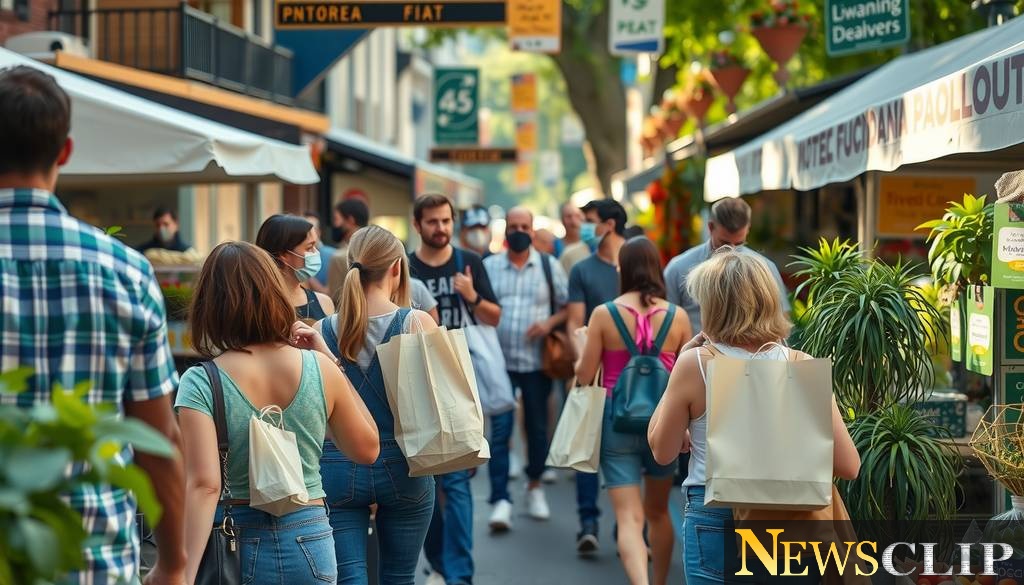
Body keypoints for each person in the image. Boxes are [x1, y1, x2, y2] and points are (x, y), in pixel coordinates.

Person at [0, 65, 186, 584]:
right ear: (64, 152)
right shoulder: (125, 271)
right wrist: (173, 562)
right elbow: (157, 438)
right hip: (95, 561)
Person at [648, 250, 860, 585]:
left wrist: (679, 365)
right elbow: (849, 466)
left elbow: (663, 451)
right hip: (791, 521)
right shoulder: (801, 365)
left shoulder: (698, 365)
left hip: (714, 515)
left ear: (714, 306)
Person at [175, 241, 380, 585]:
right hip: (311, 536)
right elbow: (367, 449)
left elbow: (205, 486)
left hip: (236, 541)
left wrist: (180, 572)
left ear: (210, 304)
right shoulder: (318, 368)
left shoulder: (200, 381)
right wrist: (331, 361)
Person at [296, 226, 440, 585]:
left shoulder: (324, 329)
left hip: (337, 464)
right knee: (398, 576)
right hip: (406, 465)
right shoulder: (416, 322)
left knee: (348, 579)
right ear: (396, 268)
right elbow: (440, 399)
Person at [575, 237, 691, 585]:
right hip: (664, 420)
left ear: (621, 268)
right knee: (658, 512)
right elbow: (688, 374)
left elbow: (584, 376)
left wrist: (582, 345)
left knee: (628, 517)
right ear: (657, 268)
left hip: (616, 419)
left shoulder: (603, 315)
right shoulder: (678, 317)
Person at [409, 194, 501, 585]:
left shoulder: (470, 263)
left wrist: (471, 296)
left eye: (446, 220)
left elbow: (494, 317)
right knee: (426, 479)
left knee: (458, 480)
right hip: (417, 381)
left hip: (462, 381)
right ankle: (441, 564)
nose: (441, 228)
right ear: (418, 225)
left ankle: (459, 573)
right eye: (432, 221)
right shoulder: (405, 268)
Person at [483, 207, 568, 528]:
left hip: (535, 363)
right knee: (500, 432)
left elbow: (566, 305)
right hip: (498, 363)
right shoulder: (489, 267)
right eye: (513, 226)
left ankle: (534, 486)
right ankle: (500, 499)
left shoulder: (549, 266)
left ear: (533, 231)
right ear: (506, 230)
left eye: (524, 226)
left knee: (536, 427)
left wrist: (548, 324)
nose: (519, 231)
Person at [565, 198, 629, 553]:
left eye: (590, 221)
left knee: (629, 456)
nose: (585, 228)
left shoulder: (635, 266)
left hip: (631, 377)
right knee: (585, 452)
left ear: (609, 224)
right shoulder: (582, 269)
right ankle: (588, 523)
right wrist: (583, 365)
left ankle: (630, 527)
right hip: (592, 373)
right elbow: (576, 322)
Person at [663, 197, 790, 334]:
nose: (731, 251)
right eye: (724, 243)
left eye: (739, 243)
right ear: (710, 227)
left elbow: (780, 319)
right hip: (696, 353)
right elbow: (665, 322)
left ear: (748, 229)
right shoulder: (678, 268)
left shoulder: (766, 268)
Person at [256, 214, 336, 324]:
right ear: (284, 254)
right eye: (309, 247)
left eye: (315, 246)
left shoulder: (324, 303)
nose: (316, 253)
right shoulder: (256, 307)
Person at [328, 198, 370, 301]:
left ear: (350, 220)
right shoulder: (378, 247)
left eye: (336, 219)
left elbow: (335, 297)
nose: (334, 224)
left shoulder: (339, 257)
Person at [302, 210, 337, 296]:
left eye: (310, 230)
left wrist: (307, 275)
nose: (306, 235)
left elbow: (333, 293)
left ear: (318, 232)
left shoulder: (333, 256)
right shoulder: (296, 255)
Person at [559, 201, 587, 270]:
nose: (573, 221)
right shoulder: (554, 246)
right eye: (569, 216)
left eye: (577, 215)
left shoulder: (591, 244)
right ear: (562, 220)